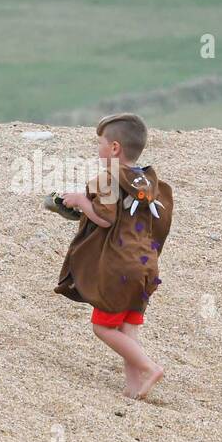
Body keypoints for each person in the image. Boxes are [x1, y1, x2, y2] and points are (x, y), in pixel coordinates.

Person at [54, 113, 174, 400]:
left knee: (102, 327)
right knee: (127, 328)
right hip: (145, 265)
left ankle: (149, 367)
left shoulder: (109, 177)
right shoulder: (147, 181)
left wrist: (81, 201)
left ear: (115, 148)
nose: (98, 150)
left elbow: (105, 218)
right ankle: (134, 388)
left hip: (120, 266)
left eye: (100, 144)